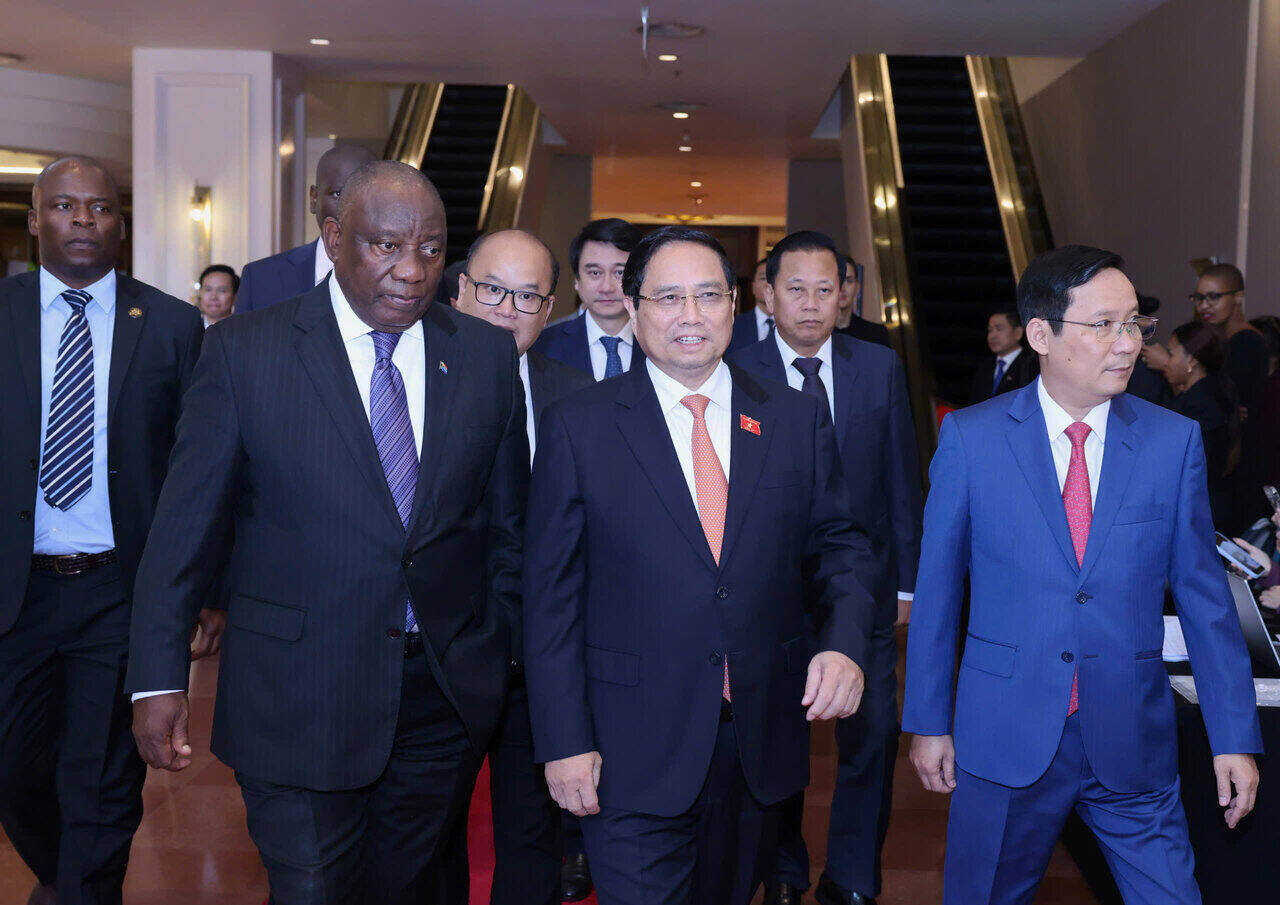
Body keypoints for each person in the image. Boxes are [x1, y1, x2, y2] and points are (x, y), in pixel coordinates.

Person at [126, 160, 528, 904]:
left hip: (440, 697)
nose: (413, 271)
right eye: (386, 246)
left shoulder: (484, 356)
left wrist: (489, 648)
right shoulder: (246, 352)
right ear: (335, 236)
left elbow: (505, 530)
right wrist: (157, 675)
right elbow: (183, 532)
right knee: (312, 888)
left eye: (434, 250)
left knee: (405, 888)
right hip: (296, 694)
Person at [523, 225, 878, 905]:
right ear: (633, 309)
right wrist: (563, 740)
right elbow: (550, 599)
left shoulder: (796, 419)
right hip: (629, 744)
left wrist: (845, 644)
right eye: (669, 297)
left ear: (738, 306)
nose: (691, 316)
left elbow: (842, 547)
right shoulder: (580, 425)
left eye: (708, 295)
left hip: (757, 742)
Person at [904, 245, 1262, 905]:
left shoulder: (1169, 441)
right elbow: (937, 594)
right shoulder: (973, 440)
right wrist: (929, 719)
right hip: (1005, 734)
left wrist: (1233, 734)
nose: (1126, 343)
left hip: (1130, 736)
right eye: (1104, 325)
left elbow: (1206, 601)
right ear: (1041, 333)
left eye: (1134, 325)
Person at [0, 156, 217, 905]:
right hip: (16, 590)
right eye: (64, 205)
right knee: (14, 768)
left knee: (99, 781)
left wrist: (204, 590)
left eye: (100, 207)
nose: (84, 219)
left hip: (119, 592)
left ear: (121, 224)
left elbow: (201, 470)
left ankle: (84, 890)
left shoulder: (171, 324)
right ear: (34, 221)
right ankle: (66, 879)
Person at [731, 231, 921, 905]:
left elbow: (901, 476)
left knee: (871, 738)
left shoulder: (878, 367)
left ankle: (851, 878)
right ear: (766, 292)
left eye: (824, 289)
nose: (810, 305)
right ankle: (783, 871)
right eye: (795, 289)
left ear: (844, 295)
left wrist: (904, 584)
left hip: (861, 591)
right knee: (776, 744)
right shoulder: (734, 366)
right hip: (771, 597)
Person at [450, 229, 592, 905]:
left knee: (533, 836)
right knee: (429, 834)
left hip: (542, 657)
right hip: (441, 655)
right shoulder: (412, 381)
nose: (508, 309)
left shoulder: (576, 394)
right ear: (459, 291)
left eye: (528, 296)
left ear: (549, 309)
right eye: (492, 289)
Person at [235, 143, 377, 313]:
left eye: (365, 196)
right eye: (338, 194)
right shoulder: (261, 280)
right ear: (314, 199)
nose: (351, 208)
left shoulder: (404, 278)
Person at [531, 218, 644, 381]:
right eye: (595, 273)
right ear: (577, 280)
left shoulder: (660, 343)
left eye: (620, 273)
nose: (607, 287)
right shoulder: (542, 345)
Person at [1164, 321, 1240, 529]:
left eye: (1171, 354)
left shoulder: (1201, 407)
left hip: (1199, 515)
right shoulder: (1205, 396)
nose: (1166, 362)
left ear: (1191, 359)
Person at [969, 309, 1037, 405]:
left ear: (1018, 332)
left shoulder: (1032, 366)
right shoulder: (985, 366)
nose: (992, 336)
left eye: (999, 329)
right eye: (990, 330)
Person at [834, 256, 891, 348]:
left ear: (857, 288)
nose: (842, 288)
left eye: (849, 281)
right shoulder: (813, 336)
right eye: (837, 280)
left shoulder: (876, 334)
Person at [727, 258, 774, 352]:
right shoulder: (733, 326)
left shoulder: (794, 326)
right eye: (763, 278)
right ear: (753, 287)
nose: (768, 284)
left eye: (773, 278)